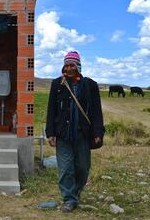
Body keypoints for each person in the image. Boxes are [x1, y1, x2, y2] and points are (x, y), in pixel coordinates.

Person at [45, 51, 104, 213]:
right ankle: (69, 199)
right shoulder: (57, 84)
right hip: (63, 134)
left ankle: (76, 191)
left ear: (78, 66)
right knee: (65, 169)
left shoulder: (90, 85)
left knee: (83, 168)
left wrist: (98, 131)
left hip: (83, 134)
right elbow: (51, 110)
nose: (69, 68)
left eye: (72, 65)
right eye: (67, 65)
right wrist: (50, 132)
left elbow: (96, 111)